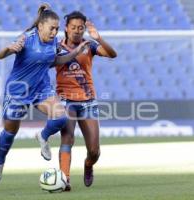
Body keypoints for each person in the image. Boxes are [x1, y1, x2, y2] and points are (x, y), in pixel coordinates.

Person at [0, 4, 89, 184]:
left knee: (60, 117)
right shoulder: (26, 39)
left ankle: (42, 136)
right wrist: (10, 48)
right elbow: (0, 55)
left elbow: (54, 61)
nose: (55, 32)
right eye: (52, 28)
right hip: (17, 91)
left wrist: (75, 52)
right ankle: (0, 162)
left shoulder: (53, 42)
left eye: (57, 29)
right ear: (40, 26)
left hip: (41, 88)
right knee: (10, 131)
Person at [56, 11, 117, 191]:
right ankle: (64, 179)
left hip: (88, 101)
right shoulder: (55, 47)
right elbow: (52, 62)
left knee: (94, 150)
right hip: (66, 100)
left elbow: (112, 54)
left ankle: (88, 164)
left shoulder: (90, 46)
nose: (76, 31)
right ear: (66, 28)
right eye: (73, 27)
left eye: (80, 28)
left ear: (84, 29)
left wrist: (98, 37)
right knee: (67, 138)